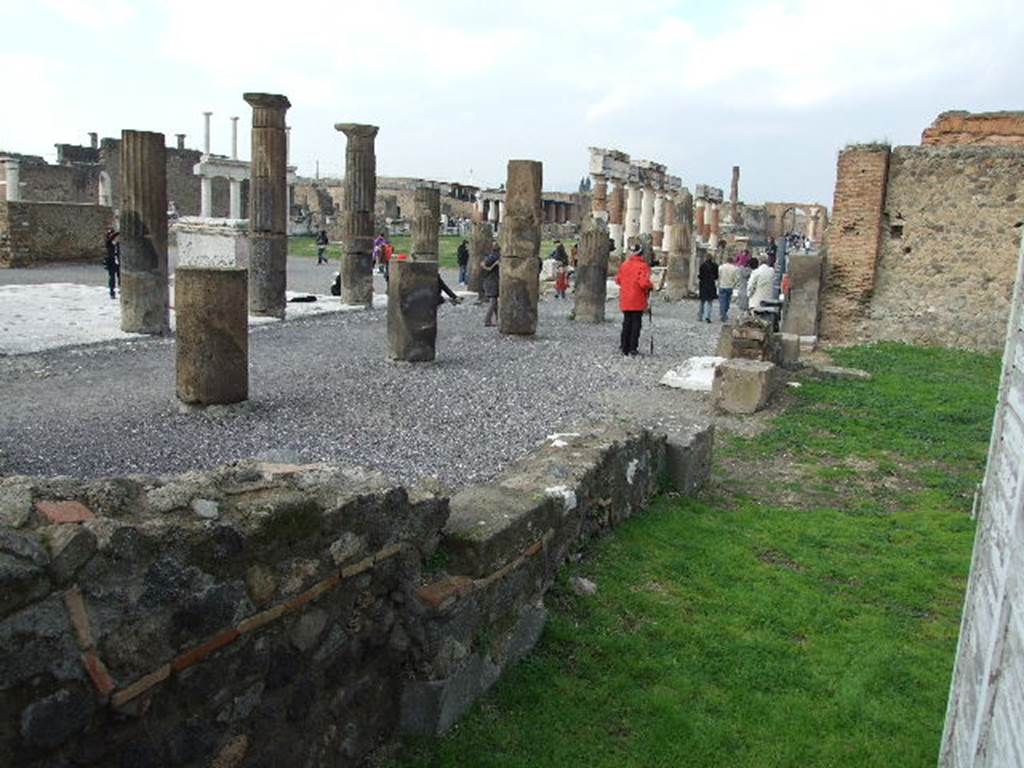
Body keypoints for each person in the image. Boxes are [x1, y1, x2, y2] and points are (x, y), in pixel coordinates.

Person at [615, 244, 653, 355]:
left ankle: (624, 346)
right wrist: (651, 286)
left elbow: (618, 280)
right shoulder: (643, 266)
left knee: (626, 322)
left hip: (626, 298)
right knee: (636, 323)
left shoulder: (624, 265)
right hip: (637, 298)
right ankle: (632, 347)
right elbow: (643, 283)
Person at [481, 244, 501, 327]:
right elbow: (484, 265)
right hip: (492, 282)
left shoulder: (489, 257)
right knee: (493, 301)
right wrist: (494, 265)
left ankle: (497, 319)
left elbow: (482, 264)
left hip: (488, 281)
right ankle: (487, 320)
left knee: (494, 301)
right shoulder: (495, 257)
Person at [697, 251, 718, 323]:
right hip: (711, 285)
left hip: (703, 285)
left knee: (702, 302)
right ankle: (707, 317)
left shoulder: (702, 265)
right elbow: (716, 277)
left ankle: (700, 316)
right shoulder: (715, 266)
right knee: (709, 302)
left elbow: (700, 276)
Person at [717, 256, 739, 322]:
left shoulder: (721, 267)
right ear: (732, 261)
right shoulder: (735, 268)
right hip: (729, 286)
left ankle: (722, 314)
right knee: (727, 301)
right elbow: (736, 278)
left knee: (722, 301)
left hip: (722, 286)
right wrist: (734, 284)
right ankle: (724, 313)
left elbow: (718, 276)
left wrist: (718, 283)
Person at [103, 228, 120, 299]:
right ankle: (112, 292)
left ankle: (120, 289)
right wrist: (118, 232)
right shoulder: (108, 242)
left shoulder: (118, 244)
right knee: (112, 277)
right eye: (110, 234)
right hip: (111, 261)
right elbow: (111, 238)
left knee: (120, 276)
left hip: (118, 261)